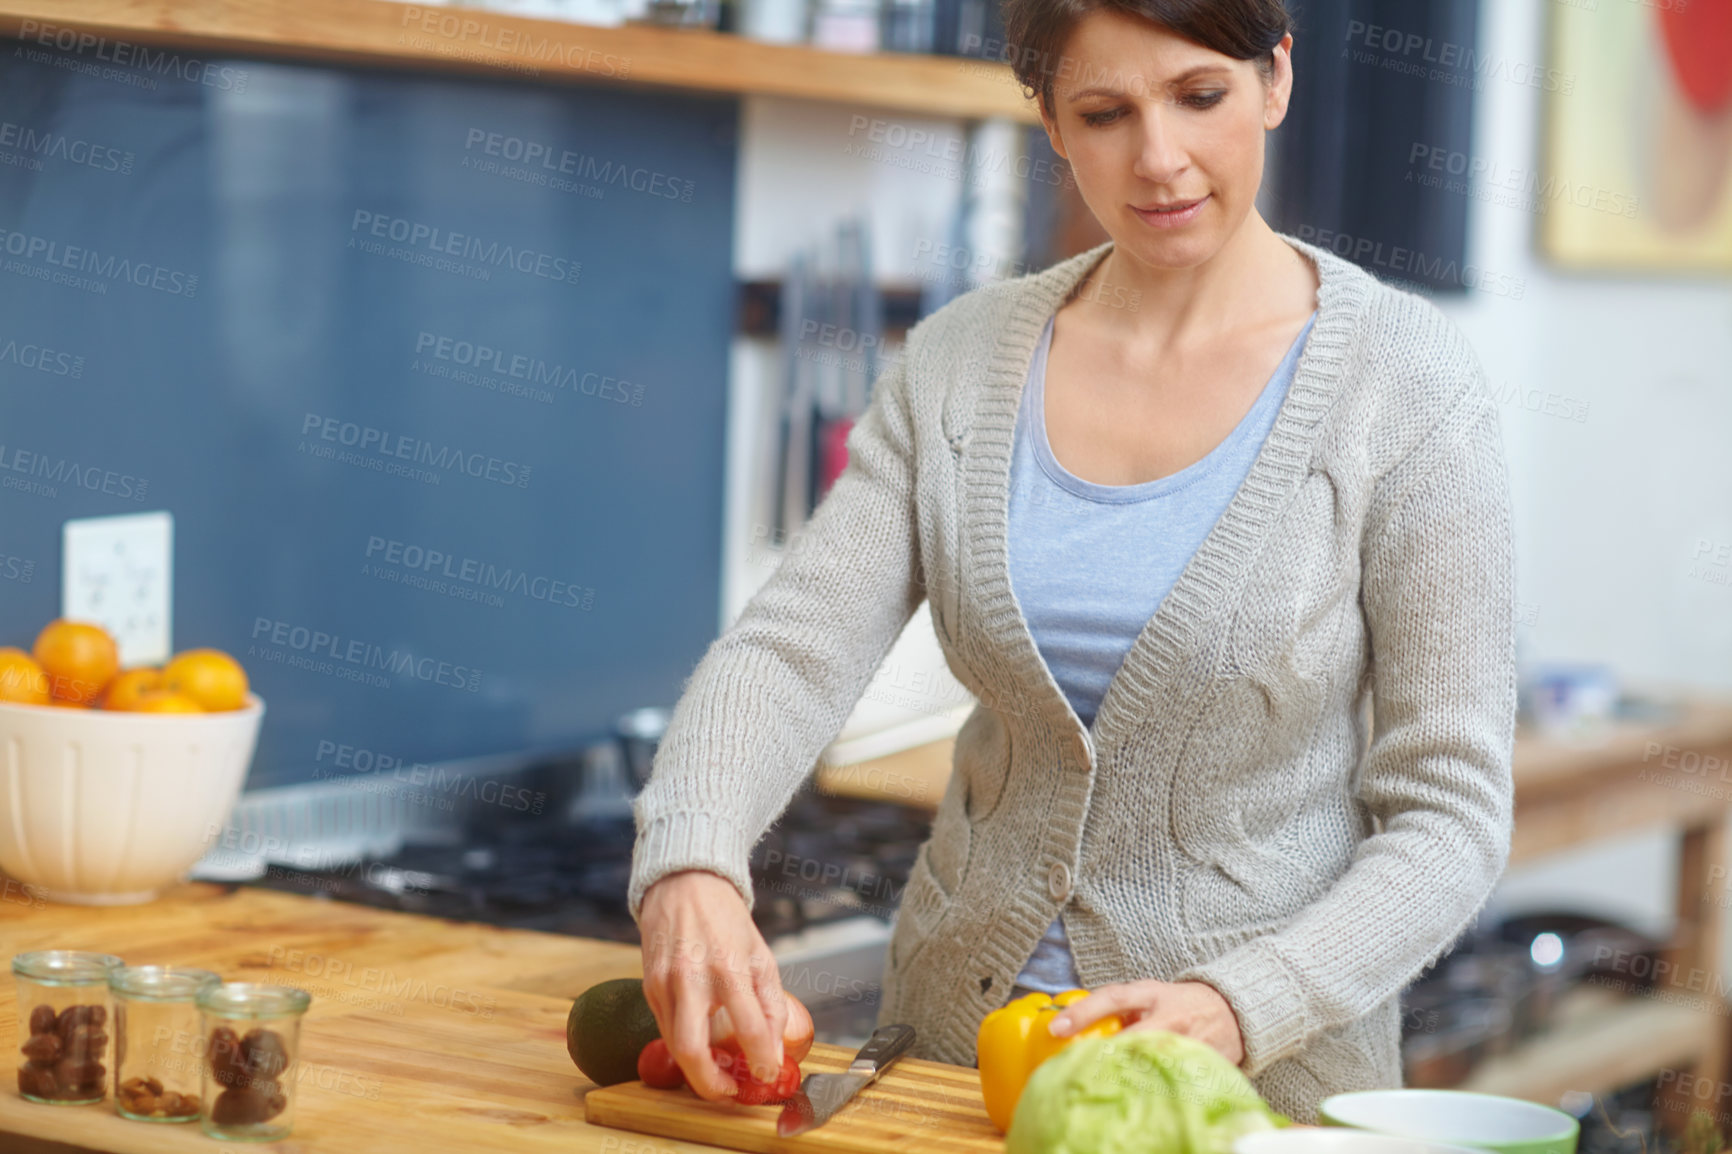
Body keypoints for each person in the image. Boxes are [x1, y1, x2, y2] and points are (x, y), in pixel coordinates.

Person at [627, 0, 1517, 1124]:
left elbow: (1449, 812)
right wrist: (691, 862)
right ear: (1050, 121)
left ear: (1275, 80)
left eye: (1200, 96)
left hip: (1248, 1093)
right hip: (951, 1073)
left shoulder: (1409, 384)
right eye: (1103, 113)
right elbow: (790, 649)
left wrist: (1238, 1002)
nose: (1158, 159)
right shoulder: (959, 360)